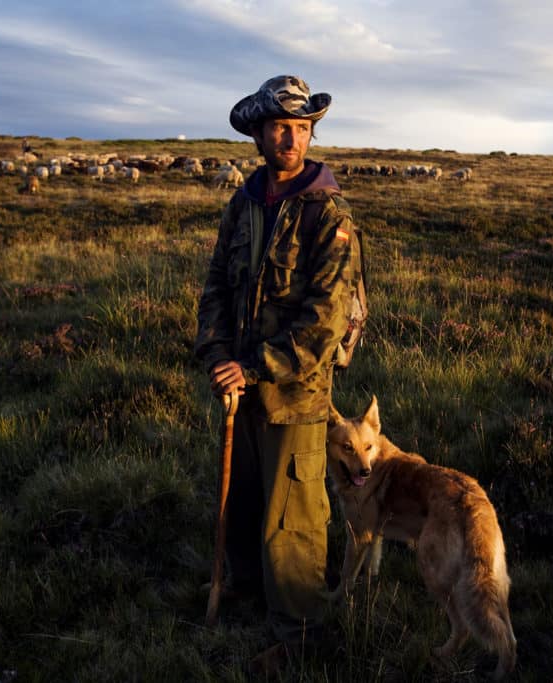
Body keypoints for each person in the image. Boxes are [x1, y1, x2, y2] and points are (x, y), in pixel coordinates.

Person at [194, 75, 363, 669]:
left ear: (310, 133)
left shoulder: (329, 214)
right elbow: (216, 283)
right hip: (238, 387)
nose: (289, 138)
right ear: (259, 136)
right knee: (243, 499)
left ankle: (301, 635)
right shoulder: (242, 205)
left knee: (291, 515)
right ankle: (244, 590)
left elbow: (323, 322)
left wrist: (253, 366)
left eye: (300, 128)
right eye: (279, 128)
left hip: (294, 393)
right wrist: (216, 354)